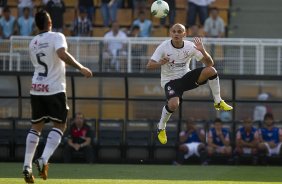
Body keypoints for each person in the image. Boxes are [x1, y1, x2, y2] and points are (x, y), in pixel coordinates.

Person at [22, 10, 92, 183]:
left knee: (36, 127)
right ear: (50, 22)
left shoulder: (33, 42)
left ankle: (26, 165)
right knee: (60, 126)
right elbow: (61, 54)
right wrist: (80, 67)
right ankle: (44, 159)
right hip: (54, 89)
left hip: (36, 87)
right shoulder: (57, 36)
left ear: (37, 25)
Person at [146, 23, 232, 144]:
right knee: (174, 105)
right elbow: (149, 65)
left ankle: (218, 101)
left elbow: (210, 63)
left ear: (184, 34)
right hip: (170, 81)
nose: (176, 34)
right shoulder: (164, 46)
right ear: (170, 33)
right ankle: (161, 127)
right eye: (174, 31)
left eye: (179, 31)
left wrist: (203, 50)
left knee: (211, 71)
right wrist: (160, 63)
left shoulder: (190, 46)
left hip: (186, 77)